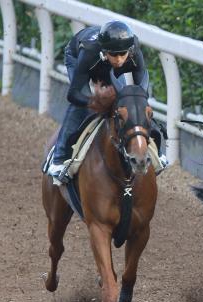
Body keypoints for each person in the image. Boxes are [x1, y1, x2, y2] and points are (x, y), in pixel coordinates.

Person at [47, 20, 166, 183]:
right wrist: (95, 102)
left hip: (104, 65)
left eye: (122, 54)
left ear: (129, 51)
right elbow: (73, 94)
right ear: (104, 51)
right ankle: (59, 158)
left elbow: (140, 97)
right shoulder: (89, 52)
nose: (118, 60)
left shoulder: (134, 49)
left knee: (133, 107)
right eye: (114, 55)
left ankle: (156, 153)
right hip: (78, 59)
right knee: (82, 106)